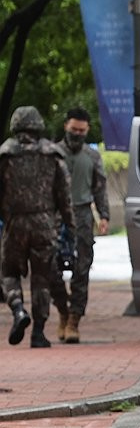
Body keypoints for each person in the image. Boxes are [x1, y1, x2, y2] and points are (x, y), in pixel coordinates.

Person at [0, 106, 73, 348]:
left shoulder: (5, 154)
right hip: (44, 224)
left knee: (8, 272)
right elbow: (65, 197)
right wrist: (69, 227)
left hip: (14, 223)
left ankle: (19, 309)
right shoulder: (52, 155)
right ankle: (39, 334)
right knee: (42, 279)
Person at [50, 107, 109, 344]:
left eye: (81, 131)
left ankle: (74, 319)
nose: (77, 134)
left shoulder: (92, 156)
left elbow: (100, 187)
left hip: (83, 215)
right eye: (73, 129)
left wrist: (103, 215)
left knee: (82, 268)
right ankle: (62, 311)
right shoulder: (52, 153)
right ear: (66, 126)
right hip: (54, 216)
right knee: (50, 267)